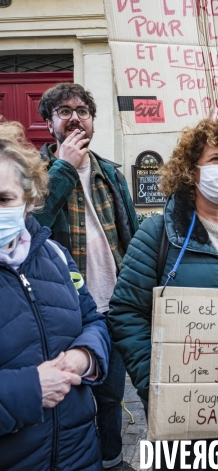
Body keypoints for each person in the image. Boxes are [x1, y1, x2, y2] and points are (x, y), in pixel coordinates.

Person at [108, 117, 218, 470]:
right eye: (217, 158)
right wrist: (155, 384)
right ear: (193, 169)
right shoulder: (158, 234)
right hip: (178, 415)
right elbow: (127, 312)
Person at [35, 83, 138, 471]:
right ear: (49, 123)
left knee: (112, 395)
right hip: (64, 311)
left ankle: (111, 459)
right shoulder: (36, 176)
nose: (75, 117)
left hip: (113, 306)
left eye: (83, 110)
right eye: (64, 111)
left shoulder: (110, 172)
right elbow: (31, 230)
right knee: (68, 398)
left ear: (93, 121)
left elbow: (128, 233)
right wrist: (62, 169)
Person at [0, 121, 110, 470]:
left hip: (78, 455)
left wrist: (85, 355)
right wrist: (29, 390)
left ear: (29, 201)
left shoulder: (56, 256)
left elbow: (92, 319)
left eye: (3, 199)